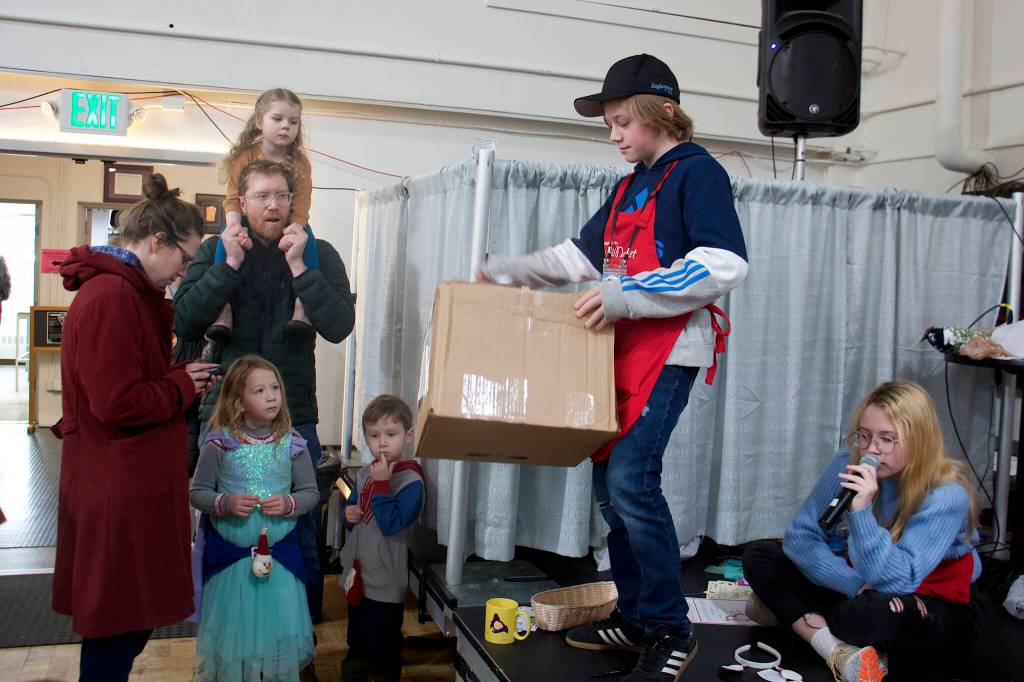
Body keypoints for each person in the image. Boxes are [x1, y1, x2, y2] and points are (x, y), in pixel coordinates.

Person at [476, 54, 747, 681]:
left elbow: (726, 265)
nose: (615, 135)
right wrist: (506, 270)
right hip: (621, 353)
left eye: (623, 121)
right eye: (611, 125)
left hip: (670, 351)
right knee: (609, 488)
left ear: (665, 111)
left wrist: (625, 294)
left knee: (631, 481)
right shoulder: (631, 183)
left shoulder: (697, 175)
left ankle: (672, 628)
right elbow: (579, 256)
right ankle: (638, 612)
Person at [174, 158, 356, 625]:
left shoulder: (319, 253)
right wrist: (229, 266)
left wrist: (300, 267)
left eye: (280, 195)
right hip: (225, 416)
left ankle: (301, 645)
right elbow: (187, 320)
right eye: (261, 196)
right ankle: (230, 634)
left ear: (292, 202)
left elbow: (339, 325)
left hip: (293, 415)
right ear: (242, 201)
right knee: (224, 527)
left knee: (298, 536)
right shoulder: (217, 249)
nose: (271, 205)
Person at [53, 174, 219, 681]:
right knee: (117, 623)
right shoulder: (111, 299)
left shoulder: (126, 295)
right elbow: (117, 401)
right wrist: (181, 387)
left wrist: (175, 381)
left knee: (125, 620)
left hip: (125, 481)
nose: (183, 273)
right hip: (117, 488)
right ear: (156, 242)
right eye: (184, 259)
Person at [742, 381, 982, 682]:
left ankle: (791, 611)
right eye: (865, 436)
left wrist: (861, 512)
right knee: (760, 554)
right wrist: (855, 585)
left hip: (925, 593)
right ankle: (833, 648)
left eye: (887, 439)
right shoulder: (849, 461)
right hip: (865, 579)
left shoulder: (946, 494)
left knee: (868, 615)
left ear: (919, 440)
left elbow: (900, 579)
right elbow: (801, 535)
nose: (871, 449)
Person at [189, 354, 320, 681]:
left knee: (276, 638)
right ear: (238, 401)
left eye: (274, 387)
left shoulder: (293, 444)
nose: (272, 395)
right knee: (235, 640)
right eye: (259, 391)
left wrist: (290, 503)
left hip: (281, 568)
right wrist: (225, 502)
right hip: (232, 568)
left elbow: (310, 492)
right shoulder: (219, 443)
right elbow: (198, 492)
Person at [207, 88, 318, 342]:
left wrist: (295, 228)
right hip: (246, 218)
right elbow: (233, 198)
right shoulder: (244, 156)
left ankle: (302, 305)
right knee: (224, 240)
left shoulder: (300, 162)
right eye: (277, 119)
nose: (285, 127)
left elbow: (301, 203)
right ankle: (222, 307)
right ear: (259, 121)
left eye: (293, 121)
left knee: (309, 243)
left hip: (289, 221)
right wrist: (235, 226)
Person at [338, 395, 424, 682]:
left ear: (408, 436)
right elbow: (359, 524)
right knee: (357, 638)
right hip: (359, 572)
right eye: (374, 436)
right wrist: (348, 517)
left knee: (384, 643)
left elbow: (391, 525)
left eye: (391, 434)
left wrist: (384, 484)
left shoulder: (412, 481)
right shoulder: (364, 474)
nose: (382, 443)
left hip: (386, 578)